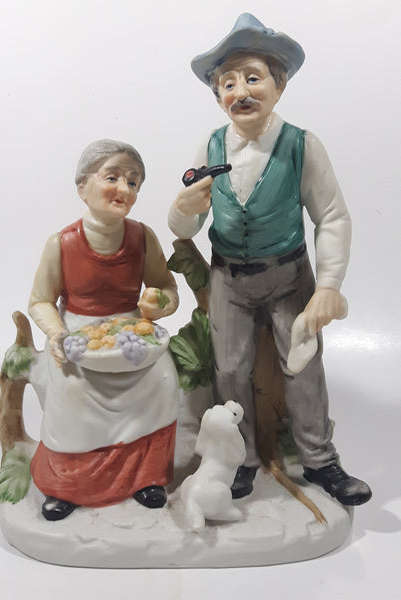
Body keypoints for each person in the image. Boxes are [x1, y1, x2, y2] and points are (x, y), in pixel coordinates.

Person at [168, 14, 371, 506]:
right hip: (229, 278)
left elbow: (332, 216)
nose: (240, 92)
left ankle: (319, 459)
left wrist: (329, 285)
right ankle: (239, 459)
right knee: (229, 368)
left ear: (279, 86)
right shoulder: (211, 145)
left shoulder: (302, 145)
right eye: (228, 83)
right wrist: (183, 208)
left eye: (253, 78)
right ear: (218, 95)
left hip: (287, 276)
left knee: (304, 366)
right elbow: (184, 226)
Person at [28, 139, 179, 520]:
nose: (123, 189)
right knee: (74, 389)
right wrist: (56, 333)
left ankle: (146, 476)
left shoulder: (143, 237)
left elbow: (166, 287)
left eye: (133, 181)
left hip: (131, 335)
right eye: (112, 177)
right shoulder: (62, 243)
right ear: (83, 187)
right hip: (79, 335)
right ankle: (68, 485)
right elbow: (40, 301)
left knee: (163, 379)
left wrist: (159, 303)